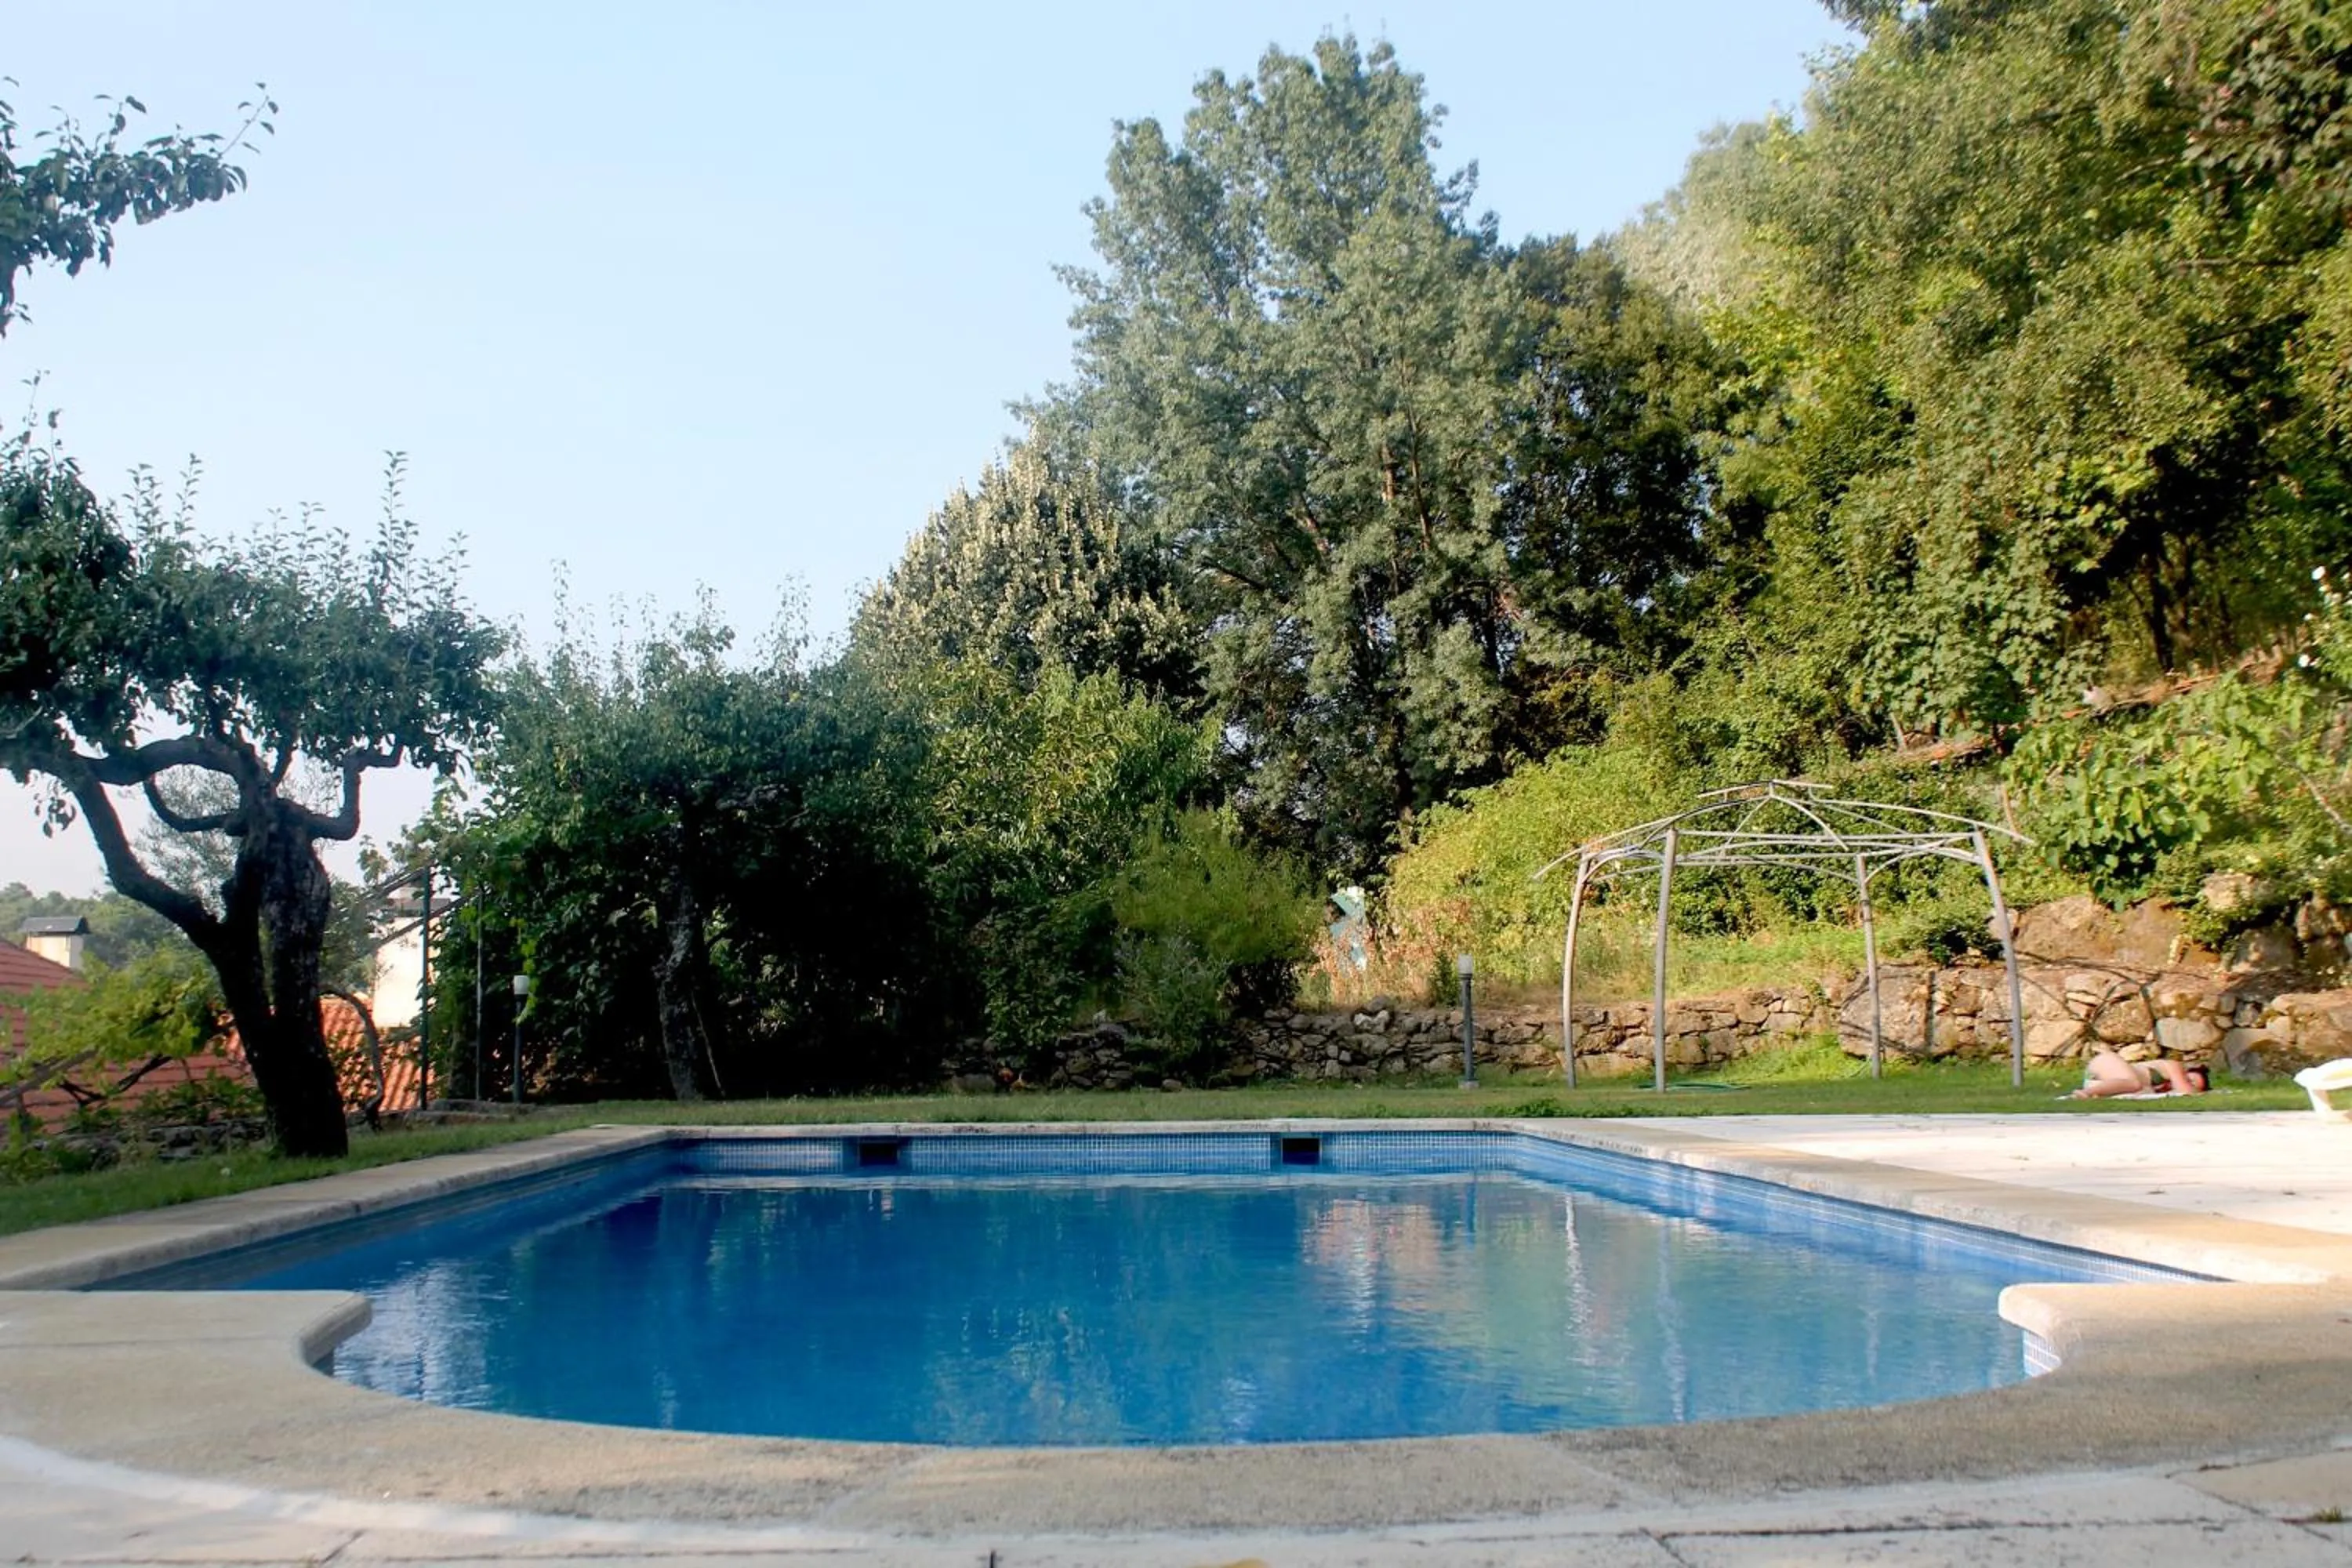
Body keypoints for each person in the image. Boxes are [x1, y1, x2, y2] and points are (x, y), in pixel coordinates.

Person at [2071, 1049, 2209, 1099]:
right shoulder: (2174, 1066)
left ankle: (2091, 1092)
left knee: (2134, 1085)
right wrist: (2198, 1092)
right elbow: (2186, 1090)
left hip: (2106, 1079)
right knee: (2134, 1083)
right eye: (2191, 1080)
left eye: (2195, 1085)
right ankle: (2086, 1093)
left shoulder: (2161, 1090)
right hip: (2105, 1062)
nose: (2189, 1084)